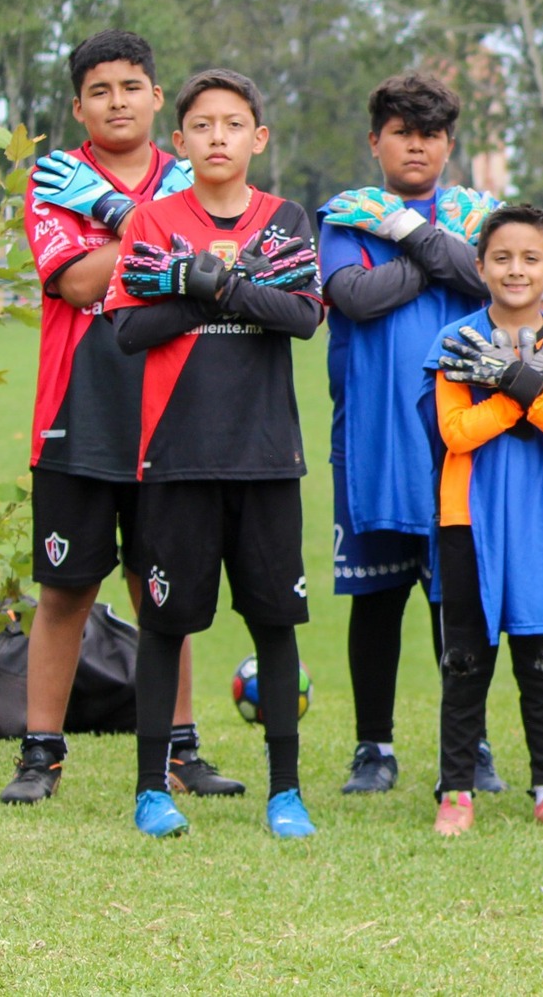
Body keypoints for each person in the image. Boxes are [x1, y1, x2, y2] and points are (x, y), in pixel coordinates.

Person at [3, 31, 241, 805]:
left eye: (131, 86)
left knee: (160, 586)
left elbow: (210, 272)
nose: (116, 101)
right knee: (66, 588)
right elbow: (76, 282)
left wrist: (124, 231)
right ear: (79, 105)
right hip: (79, 410)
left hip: (172, 412)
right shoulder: (56, 176)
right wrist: (160, 241)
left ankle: (180, 749)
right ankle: (41, 753)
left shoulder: (189, 174)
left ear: (154, 97)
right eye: (99, 90)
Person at [104, 68, 324, 838]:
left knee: (276, 623)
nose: (218, 137)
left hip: (266, 456)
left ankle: (286, 792)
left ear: (258, 139)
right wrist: (222, 282)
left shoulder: (285, 218)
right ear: (180, 140)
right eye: (203, 125)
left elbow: (299, 314)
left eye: (234, 124)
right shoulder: (154, 220)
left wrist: (210, 285)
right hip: (177, 454)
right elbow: (130, 328)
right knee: (165, 624)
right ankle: (149, 789)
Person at [318, 71, 500, 795]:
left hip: (463, 435)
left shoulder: (478, 212)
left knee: (457, 599)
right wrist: (434, 251)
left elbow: (490, 282)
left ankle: (471, 744)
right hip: (372, 437)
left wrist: (412, 237)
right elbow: (354, 299)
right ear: (376, 141)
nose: (415, 145)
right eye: (401, 132)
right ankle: (374, 746)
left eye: (429, 134)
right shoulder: (347, 216)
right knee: (377, 598)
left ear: (449, 143)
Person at [421, 205, 543, 836]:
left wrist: (522, 382)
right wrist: (512, 392)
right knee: (465, 656)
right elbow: (455, 431)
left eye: (530, 258)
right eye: (501, 257)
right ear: (480, 266)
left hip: (542, 521)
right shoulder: (456, 341)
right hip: (467, 516)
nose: (515, 269)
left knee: (541, 653)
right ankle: (456, 791)